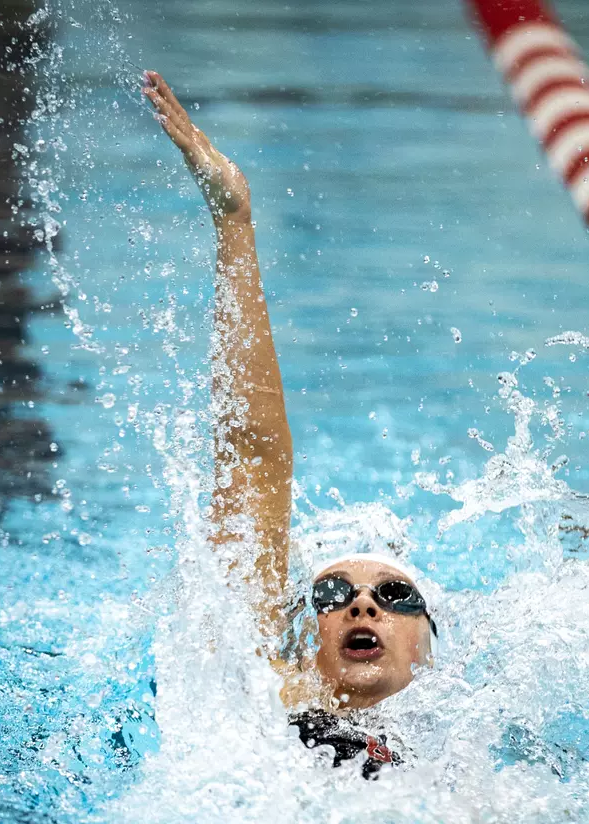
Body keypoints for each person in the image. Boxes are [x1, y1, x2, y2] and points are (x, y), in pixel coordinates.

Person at [141, 72, 437, 778]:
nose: (361, 603)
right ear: (305, 640)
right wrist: (234, 223)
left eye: (394, 596)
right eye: (330, 594)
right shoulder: (257, 702)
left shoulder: (477, 751)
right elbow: (252, 454)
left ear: (429, 645)